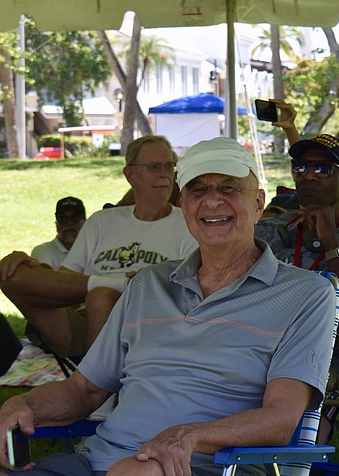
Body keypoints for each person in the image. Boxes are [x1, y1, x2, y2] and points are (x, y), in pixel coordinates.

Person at [0, 137, 337, 476]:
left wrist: (189, 436)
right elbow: (84, 392)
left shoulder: (305, 293)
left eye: (228, 188)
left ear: (258, 202)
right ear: (184, 205)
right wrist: (24, 405)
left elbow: (280, 420)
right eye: (198, 189)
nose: (212, 201)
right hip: (99, 470)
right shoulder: (148, 285)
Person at [0, 136, 198, 357]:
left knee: (101, 297)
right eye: (154, 167)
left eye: (169, 166)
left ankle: (92, 387)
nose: (164, 173)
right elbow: (64, 282)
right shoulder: (101, 221)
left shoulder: (189, 223)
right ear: (130, 174)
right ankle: (119, 285)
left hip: (145, 326)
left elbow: (189, 293)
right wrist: (37, 271)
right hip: (83, 321)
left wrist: (147, 282)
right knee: (10, 272)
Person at [254, 133, 339, 395]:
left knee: (291, 392)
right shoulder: (267, 233)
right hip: (259, 345)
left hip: (327, 357)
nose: (309, 176)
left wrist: (333, 246)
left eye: (323, 169)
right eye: (301, 168)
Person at [31, 196, 87, 270]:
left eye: (75, 218)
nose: (69, 223)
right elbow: (45, 279)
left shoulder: (96, 249)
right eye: (63, 218)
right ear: (56, 224)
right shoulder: (43, 251)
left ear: (86, 223)